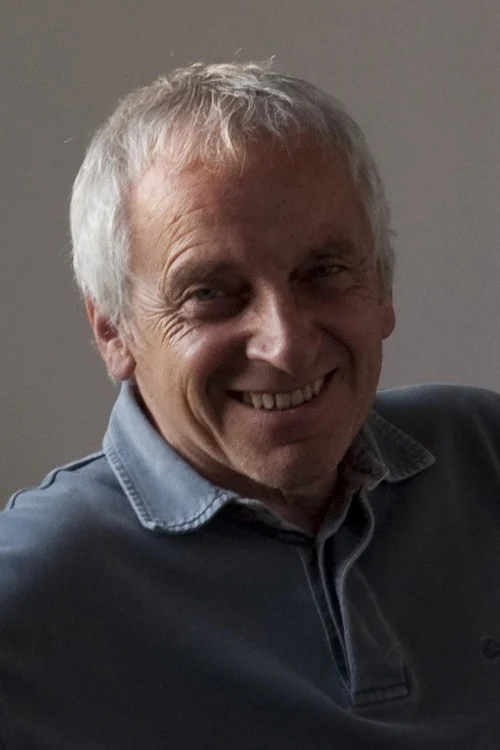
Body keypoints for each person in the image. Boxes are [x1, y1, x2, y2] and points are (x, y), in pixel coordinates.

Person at [2, 62, 500, 749]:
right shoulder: (34, 591)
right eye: (210, 292)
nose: (286, 345)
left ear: (382, 288)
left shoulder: (481, 453)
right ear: (114, 331)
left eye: (323, 272)